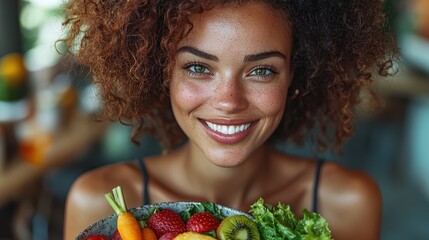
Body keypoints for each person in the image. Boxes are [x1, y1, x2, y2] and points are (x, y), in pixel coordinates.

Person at [61, 0, 398, 239]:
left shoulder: (346, 203)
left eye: (262, 71)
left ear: (294, 76)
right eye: (198, 68)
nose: (229, 101)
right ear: (162, 74)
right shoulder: (97, 203)